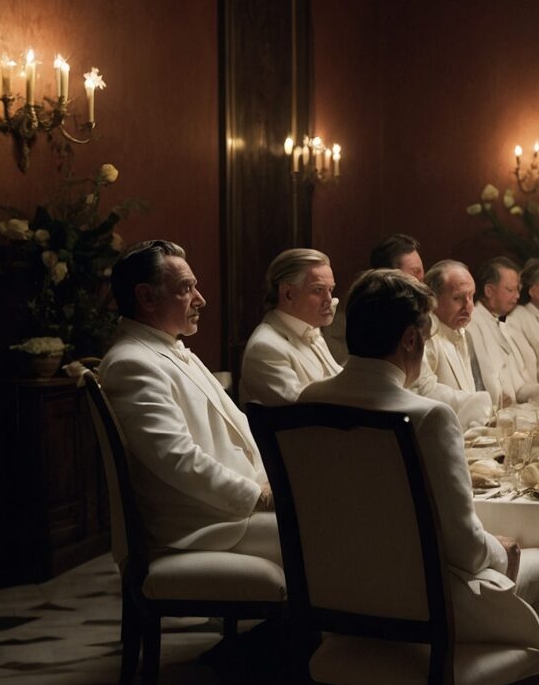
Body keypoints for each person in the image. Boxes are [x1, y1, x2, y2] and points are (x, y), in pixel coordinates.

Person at [299, 269, 539, 646]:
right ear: (411, 340)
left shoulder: (307, 402)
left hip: (334, 593)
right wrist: (502, 548)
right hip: (423, 603)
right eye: (424, 340)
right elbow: (466, 549)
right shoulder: (428, 417)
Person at [97, 240, 280, 562]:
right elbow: (175, 458)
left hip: (231, 512)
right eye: (186, 288)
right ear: (146, 296)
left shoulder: (167, 349)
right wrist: (257, 497)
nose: (201, 299)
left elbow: (238, 428)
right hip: (207, 526)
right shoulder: (131, 362)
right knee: (332, 530)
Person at [239, 248, 340, 406]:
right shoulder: (265, 347)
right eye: (318, 290)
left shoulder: (312, 331)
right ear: (288, 293)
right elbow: (302, 413)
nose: (329, 299)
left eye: (330, 290)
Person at [468, 257, 539, 408]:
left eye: (518, 290)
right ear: (489, 290)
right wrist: (493, 399)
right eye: (510, 290)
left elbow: (519, 389)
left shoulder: (503, 326)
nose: (517, 296)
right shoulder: (472, 323)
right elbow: (476, 380)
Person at [324, 233, 424, 364]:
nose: (422, 280)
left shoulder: (420, 316)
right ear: (390, 276)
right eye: (415, 272)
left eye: (422, 271)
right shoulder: (350, 323)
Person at [421, 259, 485, 395]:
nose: (468, 306)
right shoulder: (426, 338)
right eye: (458, 298)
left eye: (471, 296)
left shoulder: (461, 332)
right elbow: (425, 393)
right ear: (433, 299)